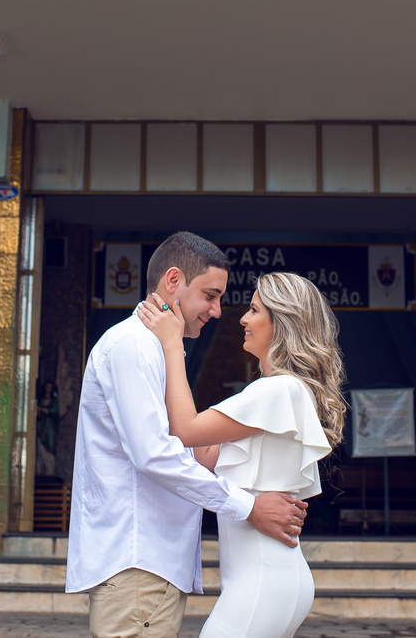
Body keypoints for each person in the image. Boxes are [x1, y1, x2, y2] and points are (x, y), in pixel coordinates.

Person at [67, 232, 309, 638]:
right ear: (173, 281)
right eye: (210, 296)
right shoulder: (135, 346)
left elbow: (188, 447)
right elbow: (155, 454)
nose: (218, 312)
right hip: (138, 561)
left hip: (151, 564)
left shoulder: (159, 348)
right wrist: (248, 506)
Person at [138, 271, 347, 638]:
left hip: (263, 581)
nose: (243, 319)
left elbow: (186, 430)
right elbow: (202, 455)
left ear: (281, 322)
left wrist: (172, 345)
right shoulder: (277, 391)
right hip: (270, 578)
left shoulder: (276, 391)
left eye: (253, 310)